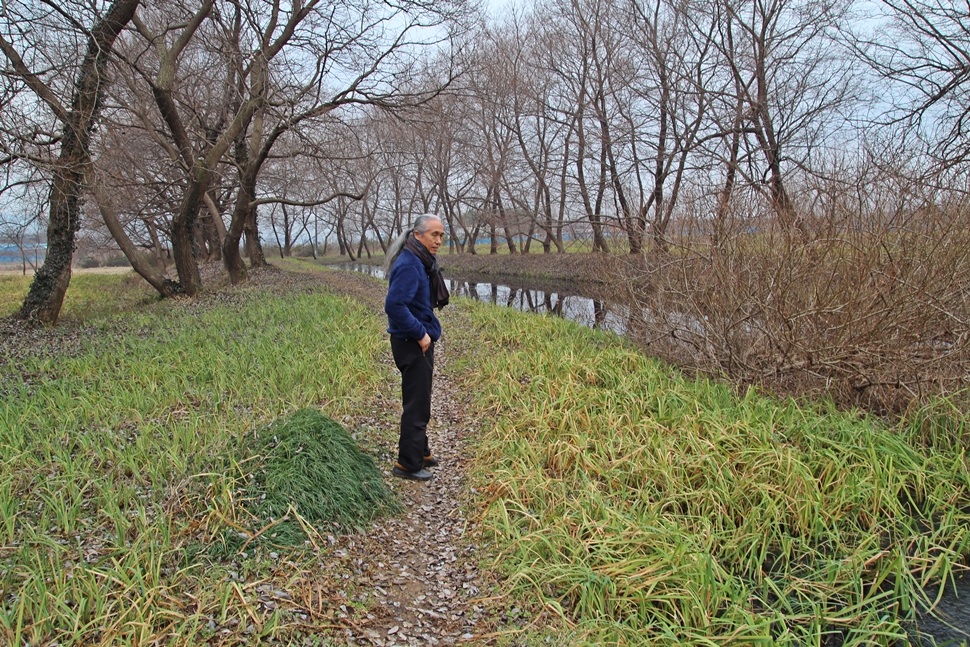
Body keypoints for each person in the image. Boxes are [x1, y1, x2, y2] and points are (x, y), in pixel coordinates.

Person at [383, 214, 449, 481]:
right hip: (412, 343)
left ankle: (420, 452)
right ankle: (407, 464)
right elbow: (394, 305)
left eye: (442, 235)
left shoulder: (419, 261)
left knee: (420, 400)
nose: (439, 241)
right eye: (434, 234)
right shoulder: (410, 264)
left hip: (414, 342)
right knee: (417, 405)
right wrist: (421, 334)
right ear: (418, 235)